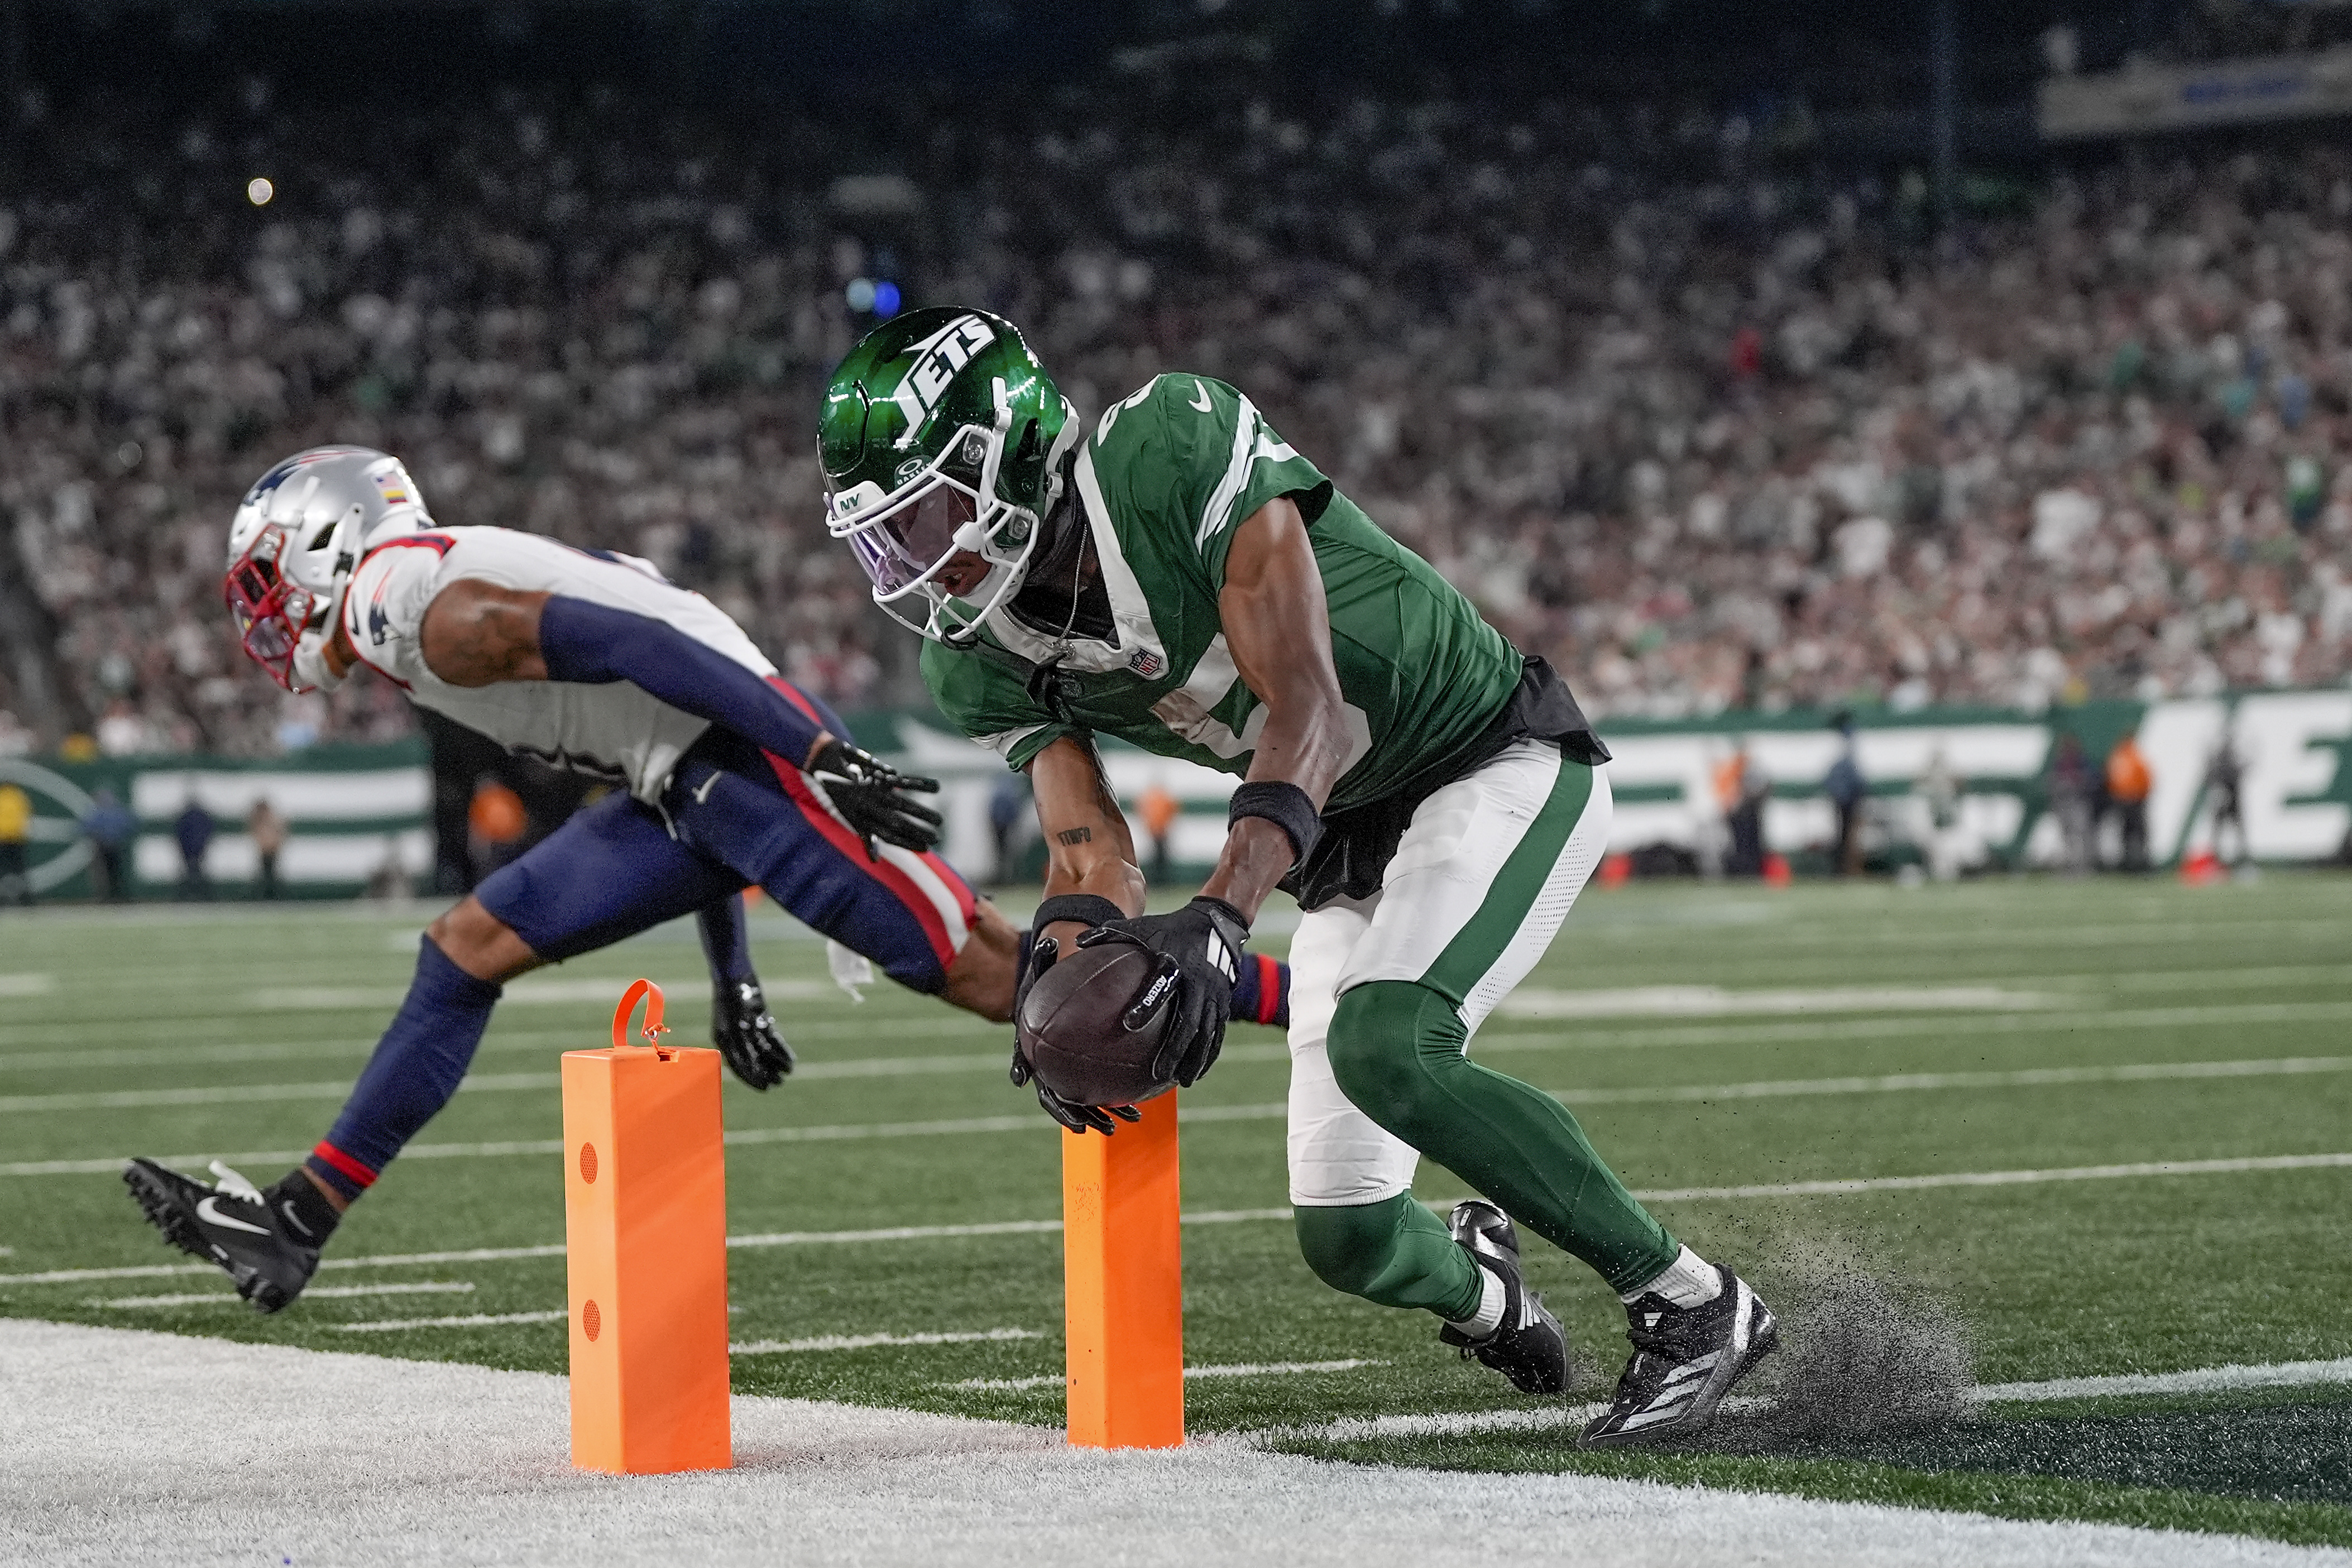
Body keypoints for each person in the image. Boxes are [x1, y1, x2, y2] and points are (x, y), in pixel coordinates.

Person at [821, 309, 1775, 1448]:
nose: (914, 561)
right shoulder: (974, 652)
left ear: (1011, 450)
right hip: (1341, 841)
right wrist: (1063, 965)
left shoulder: (1167, 450)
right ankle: (1484, 1286)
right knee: (1347, 1235)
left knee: (1389, 1046)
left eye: (925, 515)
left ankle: (1692, 1301)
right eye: (884, 536)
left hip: (1484, 758)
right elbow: (1085, 843)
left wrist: (1222, 914)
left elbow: (1311, 709)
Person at [127, 445, 1289, 1315]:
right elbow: (657, 682)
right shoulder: (420, 586)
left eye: (271, 579)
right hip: (690, 784)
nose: (269, 613)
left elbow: (653, 648)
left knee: (1012, 986)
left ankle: (1289, 989)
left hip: (752, 768)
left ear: (326, 539)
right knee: (465, 948)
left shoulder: (399, 601)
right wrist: (732, 974)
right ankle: (297, 1215)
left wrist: (815, 749)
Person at [2105, 734, 2152, 874]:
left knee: (2128, 834)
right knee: (2137, 834)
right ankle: (2137, 863)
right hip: (2134, 801)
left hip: (2124, 801)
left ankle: (2130, 863)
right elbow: (2146, 779)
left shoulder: (2118, 758)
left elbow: (2111, 781)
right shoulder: (2134, 757)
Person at [81, 786, 137, 902]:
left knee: (111, 873)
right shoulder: (108, 813)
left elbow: (87, 828)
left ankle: (113, 896)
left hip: (109, 847)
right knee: (110, 873)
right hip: (107, 847)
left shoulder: (105, 813)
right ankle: (112, 896)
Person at [2049, 733, 2095, 875]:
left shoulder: (2081, 762)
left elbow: (2091, 780)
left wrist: (2075, 782)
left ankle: (2083, 867)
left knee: (2081, 835)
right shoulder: (2060, 763)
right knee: (2067, 837)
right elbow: (2052, 783)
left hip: (2078, 803)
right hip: (2064, 804)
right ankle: (2070, 867)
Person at [2206, 736, 2247, 867]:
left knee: (2233, 832)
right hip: (2225, 802)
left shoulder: (2223, 764)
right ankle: (2218, 862)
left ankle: (2238, 860)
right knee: (2220, 832)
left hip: (2231, 801)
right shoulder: (2222, 765)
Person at [174, 793, 215, 900]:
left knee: (191, 872)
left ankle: (189, 895)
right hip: (199, 848)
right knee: (196, 872)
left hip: (189, 849)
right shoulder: (201, 816)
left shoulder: (186, 817)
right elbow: (209, 829)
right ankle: (202, 895)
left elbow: (179, 832)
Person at [1138, 781, 1179, 886]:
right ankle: (1156, 882)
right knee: (1157, 858)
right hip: (1157, 831)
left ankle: (1160, 882)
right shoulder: (1157, 799)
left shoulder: (1155, 799)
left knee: (1161, 858)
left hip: (1160, 831)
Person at [247, 797, 288, 899]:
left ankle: (273, 896)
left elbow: (279, 834)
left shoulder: (271, 821)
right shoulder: (261, 821)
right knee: (266, 874)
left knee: (271, 874)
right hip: (266, 851)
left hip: (271, 850)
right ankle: (267, 896)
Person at [0, 780, 31, 906]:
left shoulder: (13, 797)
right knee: (19, 870)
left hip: (8, 839)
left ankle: (24, 898)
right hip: (15, 838)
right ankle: (26, 899)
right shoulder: (18, 796)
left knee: (13, 870)